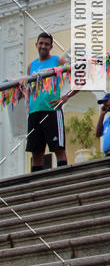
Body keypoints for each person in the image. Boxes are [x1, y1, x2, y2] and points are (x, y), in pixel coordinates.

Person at [26, 32, 70, 171]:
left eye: (46, 44)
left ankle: (63, 183)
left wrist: (66, 96)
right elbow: (29, 88)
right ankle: (37, 188)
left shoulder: (58, 61)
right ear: (36, 45)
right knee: (36, 152)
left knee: (58, 149)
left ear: (51, 46)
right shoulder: (31, 66)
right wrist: (27, 101)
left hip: (51, 110)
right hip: (34, 113)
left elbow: (80, 76)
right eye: (41, 43)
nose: (43, 46)